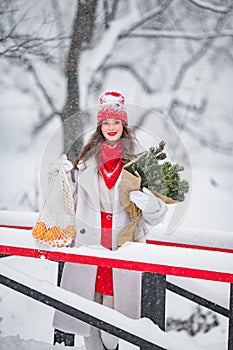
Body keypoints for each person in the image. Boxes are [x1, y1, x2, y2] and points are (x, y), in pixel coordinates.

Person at [52, 91, 167, 350]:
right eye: (106, 123)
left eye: (116, 122)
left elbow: (158, 215)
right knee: (88, 325)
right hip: (89, 246)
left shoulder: (140, 163)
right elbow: (70, 205)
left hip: (121, 248)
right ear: (100, 127)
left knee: (113, 332)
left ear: (124, 126)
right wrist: (58, 180)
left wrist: (149, 204)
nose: (111, 127)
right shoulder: (85, 162)